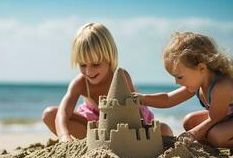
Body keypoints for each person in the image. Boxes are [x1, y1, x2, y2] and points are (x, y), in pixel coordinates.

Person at [134, 32, 233, 154]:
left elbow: (215, 118)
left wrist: (193, 134)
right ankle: (223, 144)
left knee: (216, 136)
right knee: (190, 121)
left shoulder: (221, 86)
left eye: (179, 77)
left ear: (201, 68)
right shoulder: (197, 84)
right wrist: (143, 99)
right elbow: (168, 99)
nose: (176, 82)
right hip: (232, 119)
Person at [42, 22, 173, 142]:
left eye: (95, 64)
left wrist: (141, 134)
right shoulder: (80, 83)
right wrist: (64, 136)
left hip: (128, 124)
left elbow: (135, 112)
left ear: (109, 59)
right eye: (82, 65)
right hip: (95, 125)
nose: (89, 71)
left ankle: (122, 143)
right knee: (49, 114)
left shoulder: (121, 77)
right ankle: (94, 142)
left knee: (165, 129)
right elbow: (63, 112)